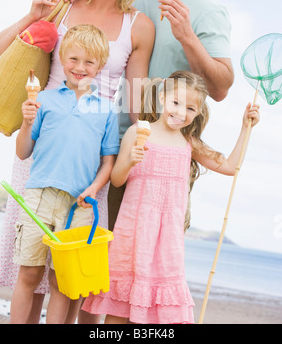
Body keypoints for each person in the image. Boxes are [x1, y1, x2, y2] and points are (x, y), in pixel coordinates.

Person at [0, 0, 155, 323]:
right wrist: (34, 12)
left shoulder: (139, 25)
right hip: (43, 140)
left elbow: (137, 102)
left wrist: (156, 146)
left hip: (89, 157)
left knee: (69, 275)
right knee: (28, 268)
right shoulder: (63, 4)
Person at [61, 0, 234, 230]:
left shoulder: (209, 9)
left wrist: (187, 37)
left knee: (151, 252)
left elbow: (222, 88)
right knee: (100, 250)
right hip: (109, 143)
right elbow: (96, 3)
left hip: (165, 150)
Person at [82, 71, 260, 324]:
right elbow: (117, 179)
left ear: (198, 113)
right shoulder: (137, 132)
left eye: (190, 108)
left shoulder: (189, 142)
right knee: (119, 310)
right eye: (176, 103)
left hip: (167, 241)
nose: (180, 112)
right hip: (134, 232)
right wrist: (131, 160)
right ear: (163, 98)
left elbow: (230, 166)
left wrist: (246, 128)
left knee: (153, 314)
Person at [10, 25, 120, 324]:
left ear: (100, 66)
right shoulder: (44, 99)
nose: (80, 68)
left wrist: (93, 189)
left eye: (89, 62)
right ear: (62, 57)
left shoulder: (107, 110)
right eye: (73, 59)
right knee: (29, 273)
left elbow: (108, 162)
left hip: (79, 205)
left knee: (64, 282)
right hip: (39, 196)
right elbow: (23, 151)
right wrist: (25, 122)